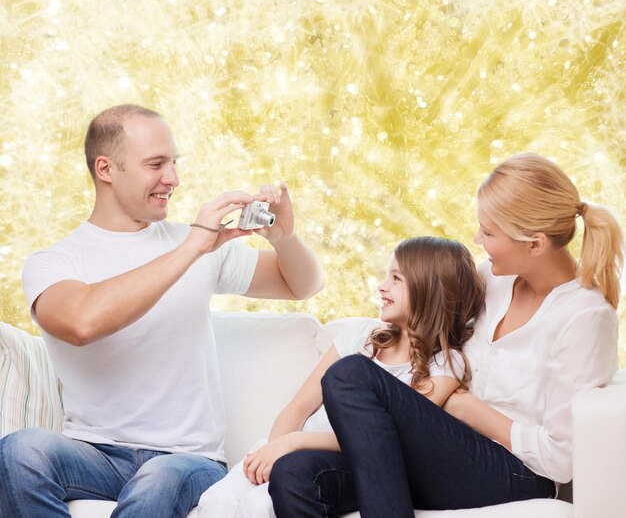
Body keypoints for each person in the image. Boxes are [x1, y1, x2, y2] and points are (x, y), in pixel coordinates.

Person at [0, 104, 324, 518]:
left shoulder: (202, 246)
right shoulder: (54, 262)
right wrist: (191, 246)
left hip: (188, 461)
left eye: (173, 163)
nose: (173, 179)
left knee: (158, 481)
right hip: (95, 454)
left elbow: (303, 284)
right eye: (156, 164)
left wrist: (286, 238)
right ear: (106, 169)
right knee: (19, 451)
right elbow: (82, 322)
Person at [269, 153, 623, 518]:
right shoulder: (492, 279)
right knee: (293, 475)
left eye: (488, 233)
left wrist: (468, 409)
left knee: (350, 374)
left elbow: (560, 459)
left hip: (514, 471)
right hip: (441, 448)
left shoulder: (585, 317)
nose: (476, 238)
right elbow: (428, 311)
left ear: (534, 243)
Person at [195, 235, 486, 518]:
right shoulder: (361, 336)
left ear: (429, 289)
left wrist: (295, 444)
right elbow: (298, 408)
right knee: (230, 501)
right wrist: (276, 448)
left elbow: (383, 440)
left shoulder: (446, 366)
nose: (381, 286)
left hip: (341, 463)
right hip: (290, 448)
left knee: (281, 488)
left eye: (396, 279)